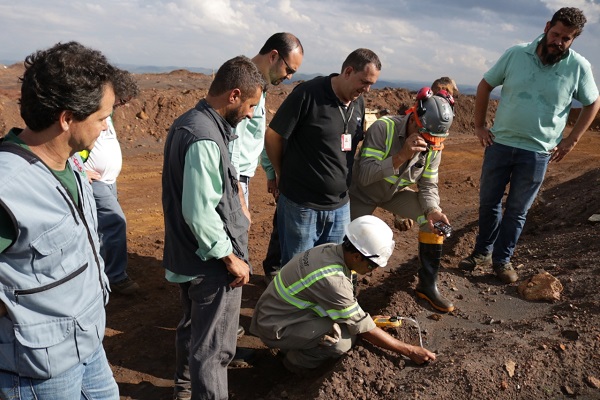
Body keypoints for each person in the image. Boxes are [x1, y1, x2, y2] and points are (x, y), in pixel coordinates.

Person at [0, 41, 135, 399]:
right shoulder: (6, 188)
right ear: (67, 118)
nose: (107, 128)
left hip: (87, 343)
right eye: (102, 118)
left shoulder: (72, 164)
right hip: (38, 371)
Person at [460, 7, 600, 283]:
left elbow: (592, 102)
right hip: (500, 144)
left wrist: (572, 141)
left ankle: (502, 260)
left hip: (538, 152)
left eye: (566, 38)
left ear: (574, 40)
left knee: (517, 210)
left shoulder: (578, 67)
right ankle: (481, 253)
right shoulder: (516, 54)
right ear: (547, 26)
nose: (558, 42)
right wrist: (478, 126)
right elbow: (485, 85)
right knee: (489, 203)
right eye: (556, 34)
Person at [161, 55, 265, 400]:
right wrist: (228, 258)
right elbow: (199, 212)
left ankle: (184, 389)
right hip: (211, 266)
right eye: (250, 105)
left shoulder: (189, 123)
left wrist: (239, 199)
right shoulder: (205, 138)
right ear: (234, 95)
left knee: (193, 332)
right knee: (215, 350)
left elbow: (209, 185)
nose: (251, 113)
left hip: (189, 258)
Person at [250, 215, 436, 372]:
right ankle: (291, 365)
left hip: (281, 313)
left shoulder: (332, 250)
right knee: (342, 341)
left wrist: (363, 318)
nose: (373, 270)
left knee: (349, 326)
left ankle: (293, 349)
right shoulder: (332, 279)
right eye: (372, 265)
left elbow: (343, 305)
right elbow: (362, 328)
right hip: (276, 326)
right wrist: (410, 350)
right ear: (357, 256)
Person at [265, 48, 381, 266]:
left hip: (340, 208)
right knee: (299, 269)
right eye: (364, 82)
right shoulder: (308, 94)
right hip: (302, 205)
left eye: (371, 85)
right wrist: (280, 173)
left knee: (331, 268)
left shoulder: (358, 103)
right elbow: (273, 136)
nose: (366, 89)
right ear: (348, 71)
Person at [349, 89, 456, 313]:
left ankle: (427, 286)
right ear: (415, 120)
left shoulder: (433, 145)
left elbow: (428, 185)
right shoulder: (384, 128)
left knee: (432, 223)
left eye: (433, 141)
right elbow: (365, 176)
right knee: (350, 238)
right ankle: (348, 294)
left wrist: (433, 210)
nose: (429, 144)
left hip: (394, 194)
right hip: (362, 193)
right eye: (426, 137)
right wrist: (401, 156)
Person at [229, 32, 303, 207]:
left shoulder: (259, 85)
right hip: (234, 179)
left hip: (239, 178)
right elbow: (232, 141)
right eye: (289, 70)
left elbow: (256, 132)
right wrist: (235, 188)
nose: (289, 77)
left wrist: (270, 172)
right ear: (273, 56)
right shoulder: (245, 83)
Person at [83, 90, 140, 295]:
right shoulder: (91, 112)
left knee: (101, 227)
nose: (122, 105)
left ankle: (100, 270)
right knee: (116, 222)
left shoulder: (108, 115)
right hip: (96, 182)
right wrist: (79, 169)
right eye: (121, 100)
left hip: (108, 181)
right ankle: (116, 277)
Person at [393, 77, 459, 232]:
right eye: (451, 93)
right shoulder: (413, 123)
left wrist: (432, 210)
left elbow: (427, 183)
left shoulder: (435, 124)